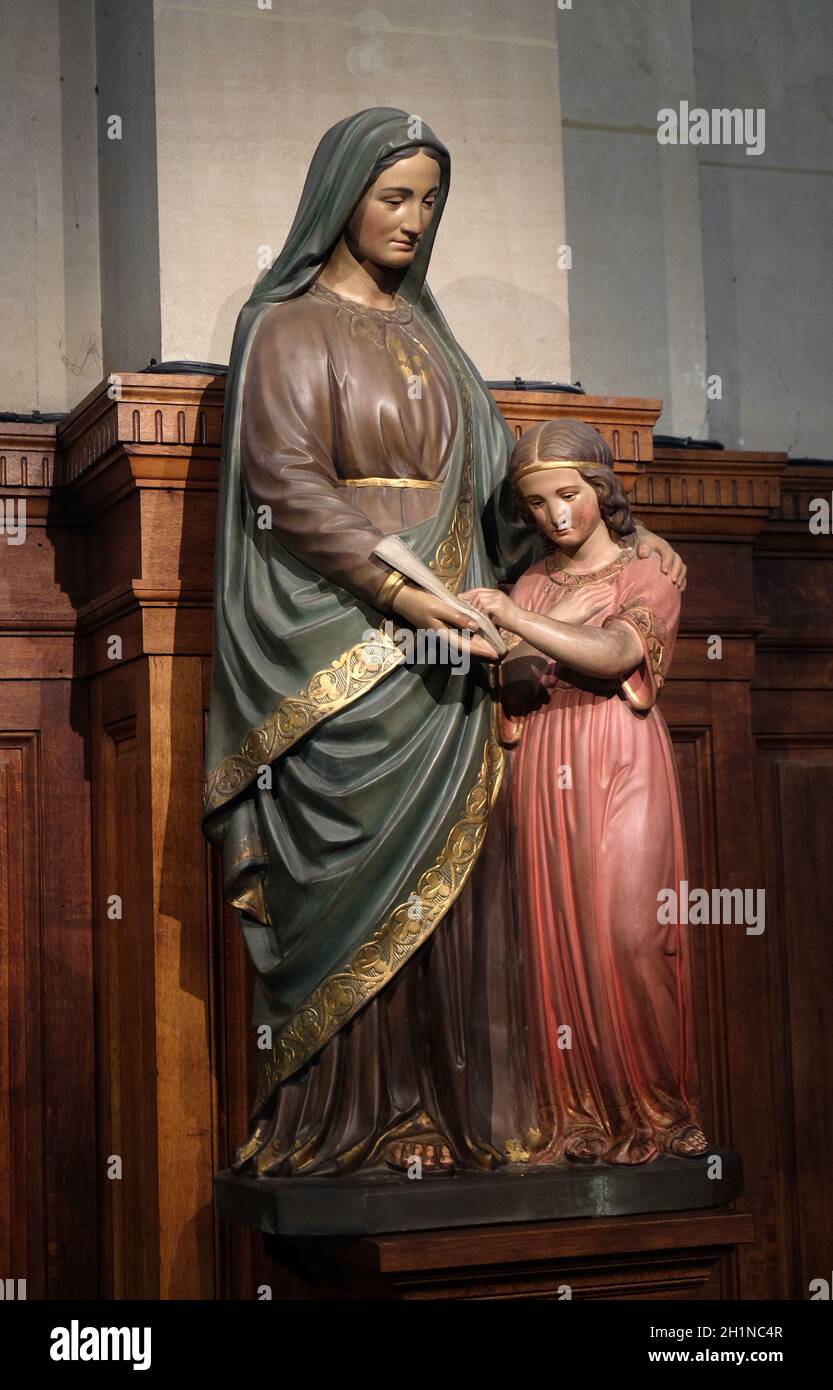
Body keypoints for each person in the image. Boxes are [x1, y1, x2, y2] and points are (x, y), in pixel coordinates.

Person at [202, 109, 687, 1177]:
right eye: (394, 195)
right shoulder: (282, 324)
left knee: (468, 883)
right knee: (353, 877)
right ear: (342, 196)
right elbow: (284, 483)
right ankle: (355, 1124)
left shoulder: (435, 340)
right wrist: (399, 590)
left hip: (455, 658)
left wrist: (589, 552)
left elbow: (491, 501)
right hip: (347, 646)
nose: (415, 220)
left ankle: (461, 1117)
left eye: (429, 199)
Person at [461, 419, 709, 1164]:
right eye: (535, 504)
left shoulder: (648, 569)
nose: (554, 516)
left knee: (633, 935)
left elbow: (614, 654)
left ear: (601, 489)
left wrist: (513, 620)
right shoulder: (535, 579)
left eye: (568, 494)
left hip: (617, 752)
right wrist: (488, 653)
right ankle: (582, 1119)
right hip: (544, 757)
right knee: (555, 941)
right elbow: (512, 672)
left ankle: (662, 1113)